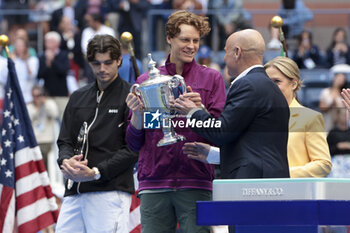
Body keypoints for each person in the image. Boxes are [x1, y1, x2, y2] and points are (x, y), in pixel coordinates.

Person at [125, 10, 226, 233]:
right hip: (154, 183)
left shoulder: (211, 79)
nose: (191, 46)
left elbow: (220, 133)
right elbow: (134, 143)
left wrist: (199, 112)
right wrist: (138, 116)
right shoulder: (146, 82)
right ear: (169, 38)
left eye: (196, 40)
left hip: (196, 181)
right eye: (185, 39)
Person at [184, 56, 332, 178]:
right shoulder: (254, 114)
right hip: (257, 189)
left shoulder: (310, 118)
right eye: (268, 82)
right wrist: (214, 155)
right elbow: (252, 156)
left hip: (294, 194)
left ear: (293, 84)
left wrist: (280, 174)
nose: (270, 86)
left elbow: (323, 164)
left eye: (277, 82)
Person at [174, 29, 290, 180]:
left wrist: (192, 112)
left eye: (226, 51)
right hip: (266, 179)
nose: (224, 58)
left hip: (253, 184)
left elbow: (222, 131)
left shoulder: (248, 85)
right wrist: (202, 110)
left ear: (237, 52)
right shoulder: (266, 85)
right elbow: (250, 141)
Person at [55, 34, 138, 233]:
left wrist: (96, 172)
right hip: (74, 191)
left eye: (108, 62)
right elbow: (64, 141)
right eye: (96, 63)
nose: (102, 69)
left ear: (119, 60)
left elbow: (133, 150)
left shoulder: (132, 98)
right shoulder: (78, 97)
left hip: (110, 192)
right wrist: (66, 161)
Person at [38, 31, 70, 121]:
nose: (48, 44)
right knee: (49, 120)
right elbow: (39, 75)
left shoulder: (63, 55)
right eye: (46, 41)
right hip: (47, 94)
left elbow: (63, 71)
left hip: (61, 94)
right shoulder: (42, 56)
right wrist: (47, 64)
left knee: (62, 119)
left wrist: (53, 61)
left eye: (50, 41)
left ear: (57, 43)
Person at [27, 85, 59, 171]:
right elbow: (27, 120)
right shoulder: (30, 107)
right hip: (34, 141)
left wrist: (44, 103)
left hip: (46, 141)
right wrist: (36, 108)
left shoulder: (49, 103)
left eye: (38, 95)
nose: (36, 98)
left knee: (44, 156)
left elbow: (54, 114)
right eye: (34, 96)